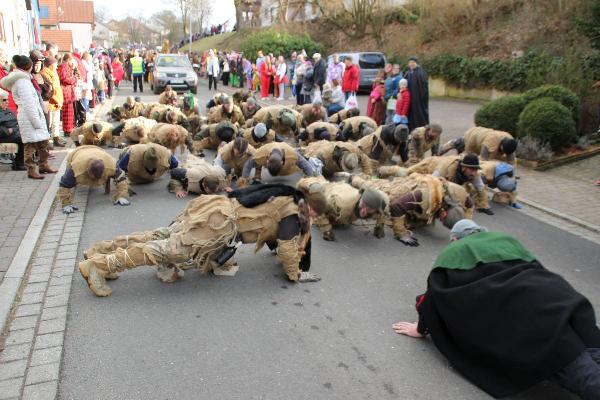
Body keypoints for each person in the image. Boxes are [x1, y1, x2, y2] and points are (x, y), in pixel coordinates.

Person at [393, 219, 600, 399]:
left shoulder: (453, 252)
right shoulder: (505, 240)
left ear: (455, 239)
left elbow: (433, 298)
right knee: (591, 345)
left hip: (529, 314)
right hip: (559, 296)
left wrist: (420, 329)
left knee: (575, 367)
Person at [78, 184, 320, 296]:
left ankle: (100, 250)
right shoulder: (292, 215)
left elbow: (270, 233)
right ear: (312, 210)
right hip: (220, 223)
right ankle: (98, 266)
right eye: (317, 216)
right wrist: (295, 274)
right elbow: (287, 250)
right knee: (172, 251)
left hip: (217, 209)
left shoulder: (288, 195)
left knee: (162, 235)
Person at [350, 173, 471, 246]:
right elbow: (396, 207)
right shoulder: (424, 196)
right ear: (443, 213)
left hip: (417, 190)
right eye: (443, 221)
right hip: (400, 191)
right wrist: (401, 234)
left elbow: (469, 205)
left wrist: (464, 226)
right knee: (375, 189)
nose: (440, 222)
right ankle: (353, 178)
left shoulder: (460, 193)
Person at [1, 55, 55, 179]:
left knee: (43, 142)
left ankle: (43, 165)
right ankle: (31, 169)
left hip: (32, 115)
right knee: (30, 144)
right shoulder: (22, 81)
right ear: (28, 66)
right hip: (29, 116)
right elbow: (28, 103)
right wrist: (36, 121)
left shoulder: (25, 79)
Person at [297, 176, 388, 241]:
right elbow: (320, 210)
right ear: (361, 199)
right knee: (313, 188)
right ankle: (310, 180)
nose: (364, 211)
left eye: (370, 209)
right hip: (328, 191)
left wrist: (380, 227)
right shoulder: (340, 204)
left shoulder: (383, 202)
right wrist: (326, 229)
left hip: (345, 188)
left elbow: (384, 212)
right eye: (363, 205)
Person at [407, 154, 493, 214]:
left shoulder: (475, 174)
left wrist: (484, 205)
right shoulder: (446, 167)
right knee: (407, 173)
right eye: (471, 169)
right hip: (430, 165)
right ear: (463, 167)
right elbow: (431, 181)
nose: (474, 173)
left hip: (445, 178)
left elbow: (481, 188)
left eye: (475, 170)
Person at [58, 145, 130, 214]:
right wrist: (66, 204)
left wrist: (122, 196)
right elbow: (64, 185)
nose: (97, 181)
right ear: (87, 171)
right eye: (93, 178)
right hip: (77, 152)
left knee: (117, 175)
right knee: (68, 180)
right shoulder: (75, 167)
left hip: (98, 150)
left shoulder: (110, 164)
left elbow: (122, 179)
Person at [240, 142, 319, 186]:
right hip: (266, 155)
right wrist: (244, 180)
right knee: (257, 161)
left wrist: (310, 182)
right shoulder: (261, 154)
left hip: (289, 165)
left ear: (281, 162)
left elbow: (307, 166)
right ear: (267, 162)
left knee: (302, 163)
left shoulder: (292, 155)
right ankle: (257, 176)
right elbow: (248, 165)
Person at [301, 140, 372, 178]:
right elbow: (315, 167)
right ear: (341, 160)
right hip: (323, 161)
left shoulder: (354, 151)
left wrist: (368, 174)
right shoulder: (325, 154)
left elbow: (365, 159)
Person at [41, 56, 66, 148]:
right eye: (55, 64)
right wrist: (56, 100)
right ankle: (48, 141)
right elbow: (49, 90)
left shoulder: (53, 72)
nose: (56, 66)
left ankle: (56, 138)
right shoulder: (45, 73)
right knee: (49, 122)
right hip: (51, 102)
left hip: (57, 101)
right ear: (50, 64)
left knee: (56, 122)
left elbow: (57, 87)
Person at [0, 89, 25, 170]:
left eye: (7, 100)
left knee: (27, 136)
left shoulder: (8, 111)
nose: (7, 102)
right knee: (23, 138)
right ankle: (19, 163)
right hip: (4, 135)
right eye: (4, 100)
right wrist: (6, 130)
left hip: (13, 132)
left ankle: (22, 162)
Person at [404, 56, 429, 131]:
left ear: (416, 63)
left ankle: (421, 129)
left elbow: (424, 87)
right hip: (410, 98)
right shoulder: (408, 72)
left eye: (413, 62)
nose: (411, 64)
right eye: (410, 62)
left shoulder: (421, 72)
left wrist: (421, 98)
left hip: (418, 100)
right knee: (411, 115)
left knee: (419, 115)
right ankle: (411, 129)